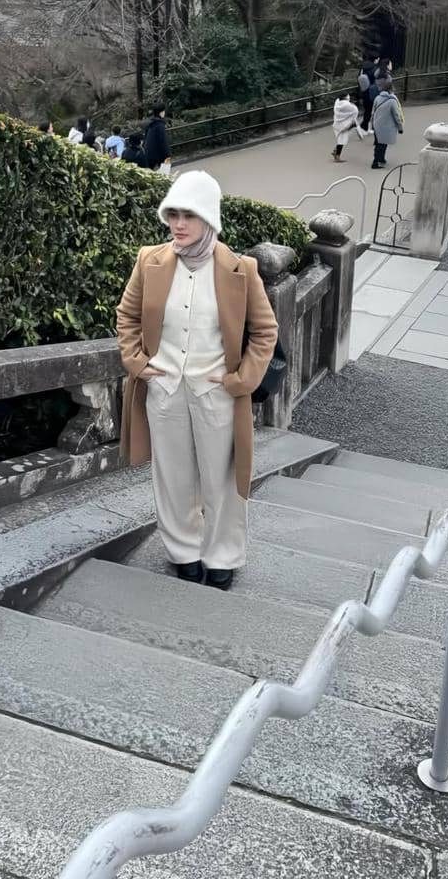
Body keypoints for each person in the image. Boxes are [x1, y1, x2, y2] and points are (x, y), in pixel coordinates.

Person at [116, 170, 278, 591]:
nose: (178, 224)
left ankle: (222, 556)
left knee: (222, 479)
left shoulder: (241, 269)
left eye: (188, 214)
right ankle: (183, 551)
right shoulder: (149, 261)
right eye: (173, 214)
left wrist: (241, 379)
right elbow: (127, 316)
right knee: (173, 476)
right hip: (164, 390)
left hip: (218, 395)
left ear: (209, 217)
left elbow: (265, 331)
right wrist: (136, 361)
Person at [371, 72, 404, 169]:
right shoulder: (392, 101)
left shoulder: (377, 98)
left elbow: (373, 112)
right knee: (382, 144)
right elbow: (397, 115)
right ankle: (376, 162)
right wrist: (400, 127)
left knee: (379, 144)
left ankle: (380, 159)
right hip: (387, 126)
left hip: (377, 124)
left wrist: (372, 123)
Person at [331, 94, 364, 162]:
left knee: (341, 138)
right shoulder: (348, 105)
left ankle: (336, 151)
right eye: (348, 96)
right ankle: (337, 156)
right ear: (345, 97)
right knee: (342, 140)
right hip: (345, 125)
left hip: (338, 124)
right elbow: (355, 110)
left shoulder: (338, 103)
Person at [143, 103, 170, 170]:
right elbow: (163, 141)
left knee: (150, 174)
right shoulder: (160, 125)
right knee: (165, 172)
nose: (164, 113)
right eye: (163, 111)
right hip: (157, 154)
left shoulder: (150, 123)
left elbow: (145, 138)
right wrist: (167, 155)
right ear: (160, 113)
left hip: (148, 152)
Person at [357, 58, 379, 131]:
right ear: (375, 59)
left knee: (367, 110)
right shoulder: (375, 68)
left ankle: (364, 127)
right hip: (373, 92)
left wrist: (360, 94)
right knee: (375, 110)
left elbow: (359, 80)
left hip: (364, 92)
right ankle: (372, 127)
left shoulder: (362, 68)